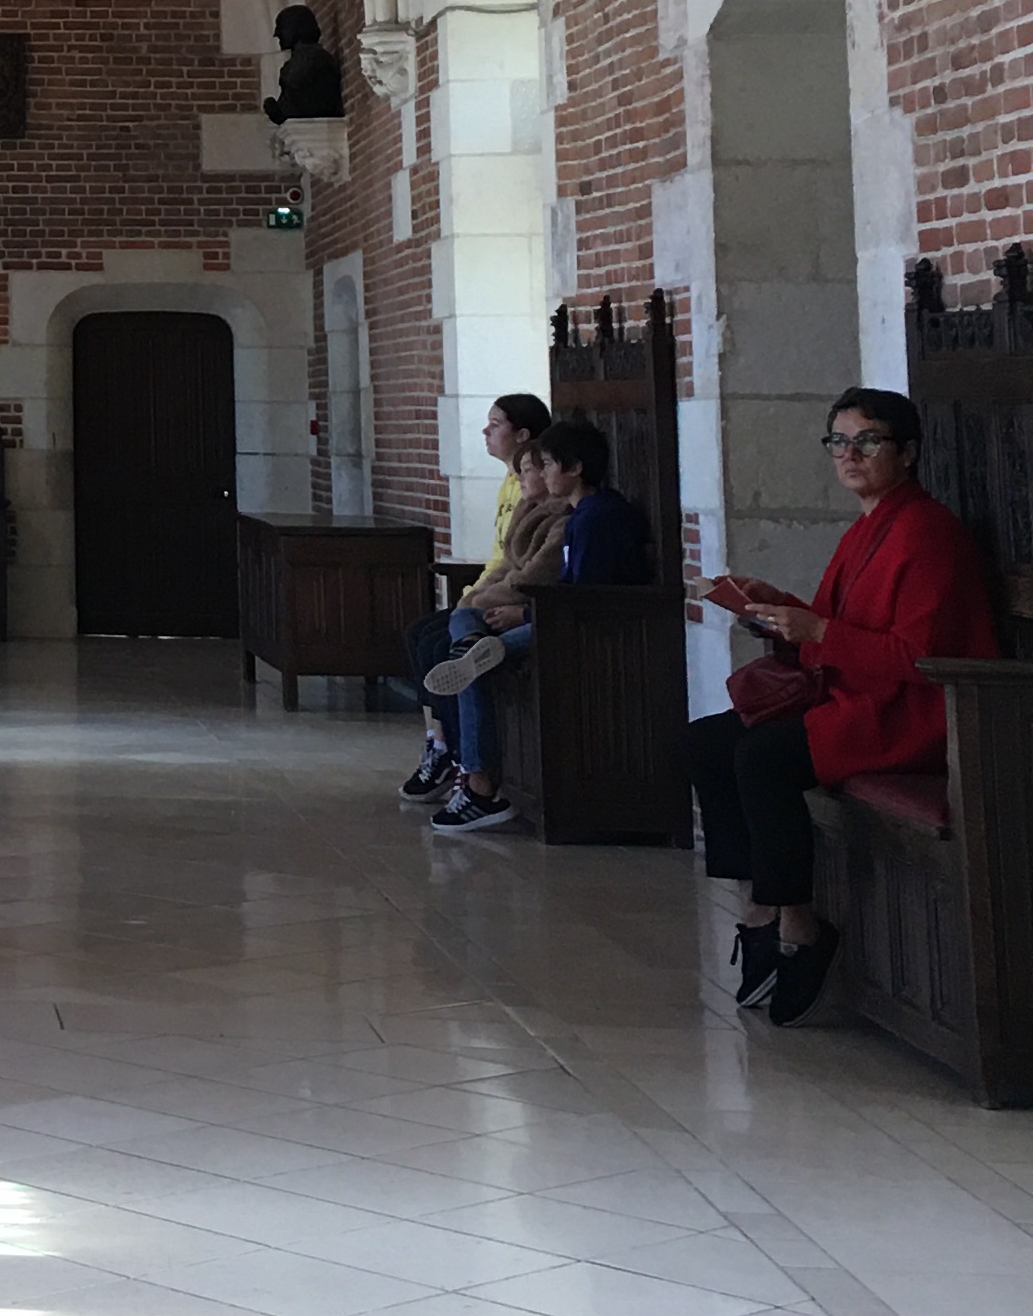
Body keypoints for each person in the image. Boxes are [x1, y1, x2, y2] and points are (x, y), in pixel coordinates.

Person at [692, 387, 996, 1023]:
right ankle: (759, 905)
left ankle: (799, 925)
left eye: (868, 441)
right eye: (839, 442)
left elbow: (919, 657)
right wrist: (774, 607)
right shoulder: (867, 528)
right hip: (855, 699)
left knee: (763, 758)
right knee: (704, 744)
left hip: (910, 716)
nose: (850, 454)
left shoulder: (928, 532)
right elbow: (832, 627)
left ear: (907, 452)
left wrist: (818, 632)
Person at [423, 414, 649, 833]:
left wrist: (524, 615)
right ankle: (471, 650)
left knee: (474, 667)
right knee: (466, 618)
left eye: (547, 464)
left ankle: (479, 786)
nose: (541, 474)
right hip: (555, 616)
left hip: (582, 630)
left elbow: (585, 599)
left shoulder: (596, 518)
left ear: (575, 467)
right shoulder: (584, 514)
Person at [397, 394, 557, 803]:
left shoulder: (545, 505)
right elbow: (501, 560)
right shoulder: (512, 484)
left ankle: (467, 763)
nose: (485, 431)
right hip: (495, 596)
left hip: (527, 609)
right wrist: (472, 597)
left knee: (444, 646)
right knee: (421, 633)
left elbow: (526, 572)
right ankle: (439, 744)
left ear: (523, 435)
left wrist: (478, 603)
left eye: (495, 424)